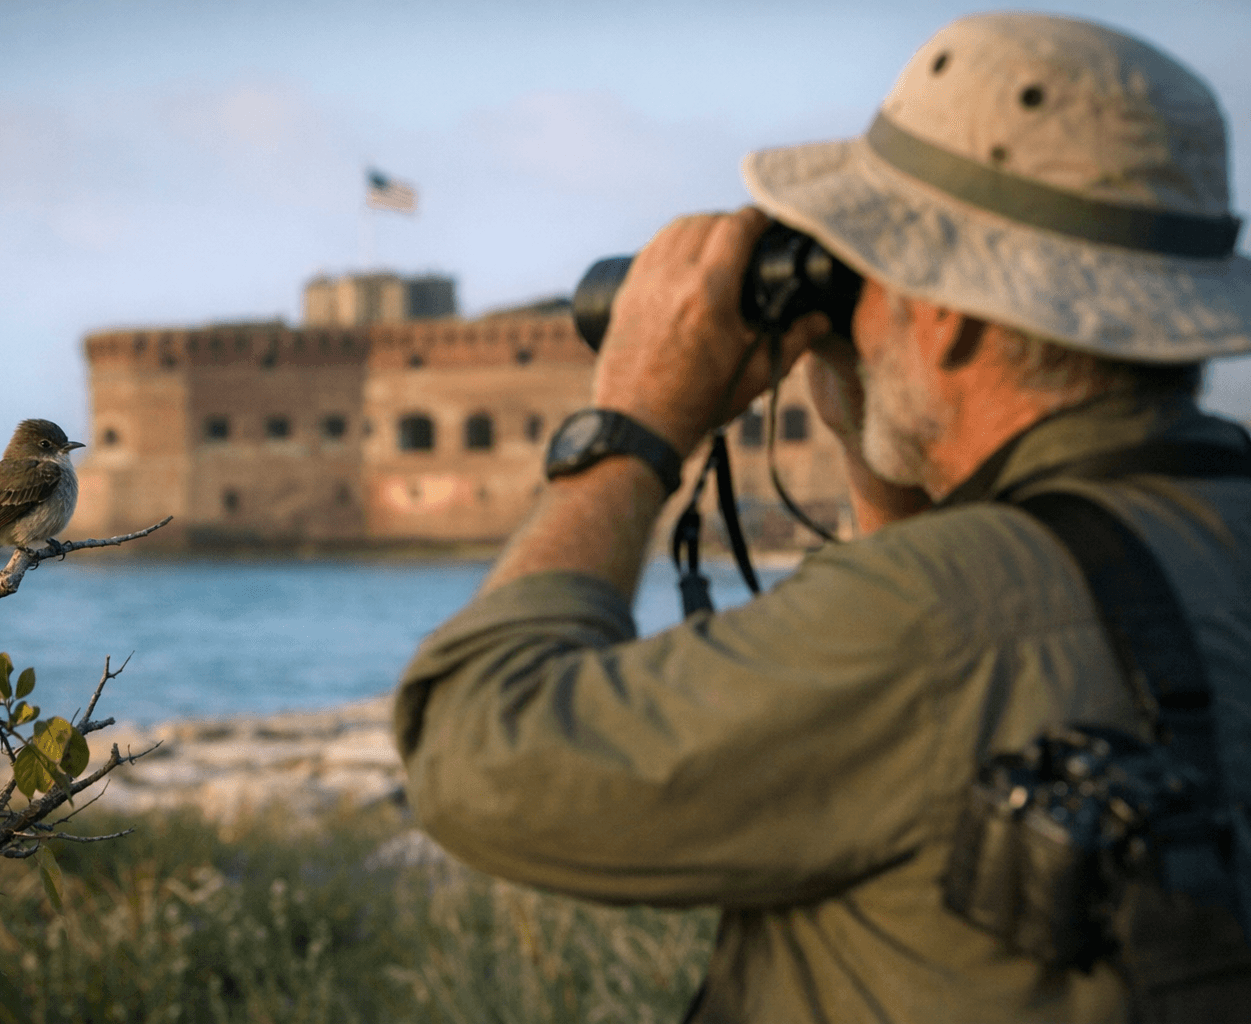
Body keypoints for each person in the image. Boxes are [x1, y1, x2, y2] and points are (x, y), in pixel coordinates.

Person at [393, 12, 1251, 1023]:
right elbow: (958, 681)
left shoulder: (938, 620)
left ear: (952, 315)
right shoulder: (1194, 531)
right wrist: (877, 432)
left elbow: (476, 749)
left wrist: (626, 426)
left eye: (868, 272)